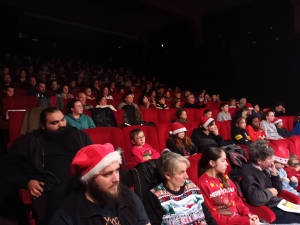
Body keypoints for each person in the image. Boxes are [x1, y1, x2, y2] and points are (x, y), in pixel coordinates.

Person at [0, 108, 93, 225]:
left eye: (63, 120)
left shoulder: (80, 136)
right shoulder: (31, 141)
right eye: (54, 123)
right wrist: (27, 182)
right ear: (43, 126)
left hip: (82, 186)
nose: (61, 125)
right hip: (50, 190)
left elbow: (95, 158)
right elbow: (7, 166)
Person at [49, 143, 151, 225]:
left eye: (117, 171)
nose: (116, 179)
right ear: (89, 179)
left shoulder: (129, 197)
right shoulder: (67, 215)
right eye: (107, 174)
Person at [143, 151, 218, 225]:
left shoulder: (191, 186)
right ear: (168, 175)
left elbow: (205, 213)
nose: (186, 176)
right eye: (181, 172)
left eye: (185, 171)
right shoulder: (154, 196)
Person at [240, 141, 300, 223]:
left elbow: (278, 189)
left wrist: (274, 173)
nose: (273, 160)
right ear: (259, 161)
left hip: (279, 204)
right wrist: (270, 192)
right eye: (269, 158)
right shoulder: (248, 173)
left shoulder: (264, 168)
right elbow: (255, 198)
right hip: (270, 210)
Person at [197, 147, 259, 225]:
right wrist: (243, 221)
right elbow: (212, 215)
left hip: (240, 219)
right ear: (212, 163)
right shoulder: (202, 184)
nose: (227, 164)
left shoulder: (224, 177)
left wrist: (248, 214)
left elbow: (236, 199)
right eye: (223, 160)